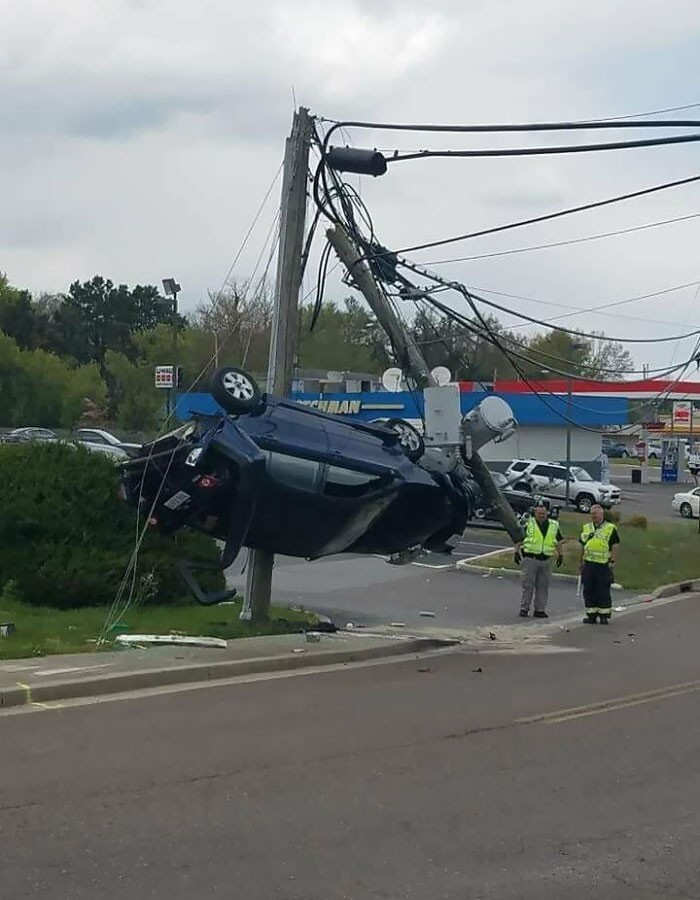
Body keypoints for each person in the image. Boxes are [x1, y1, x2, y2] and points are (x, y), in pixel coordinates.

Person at [514, 500, 564, 619]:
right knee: (528, 585)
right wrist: (516, 551)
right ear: (535, 513)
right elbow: (519, 538)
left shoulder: (553, 525)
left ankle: (540, 610)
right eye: (539, 513)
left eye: (543, 513)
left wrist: (561, 555)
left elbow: (559, 541)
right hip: (530, 558)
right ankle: (524, 608)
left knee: (543, 586)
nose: (541, 515)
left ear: (547, 513)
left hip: (546, 559)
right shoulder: (528, 523)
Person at [579, 504, 620, 624]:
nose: (593, 516)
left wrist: (613, 560)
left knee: (602, 590)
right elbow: (582, 545)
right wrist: (580, 561)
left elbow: (615, 545)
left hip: (603, 564)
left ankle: (603, 615)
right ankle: (591, 614)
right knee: (588, 589)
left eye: (595, 514)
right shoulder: (586, 527)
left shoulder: (610, 528)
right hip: (589, 563)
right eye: (592, 514)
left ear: (601, 514)